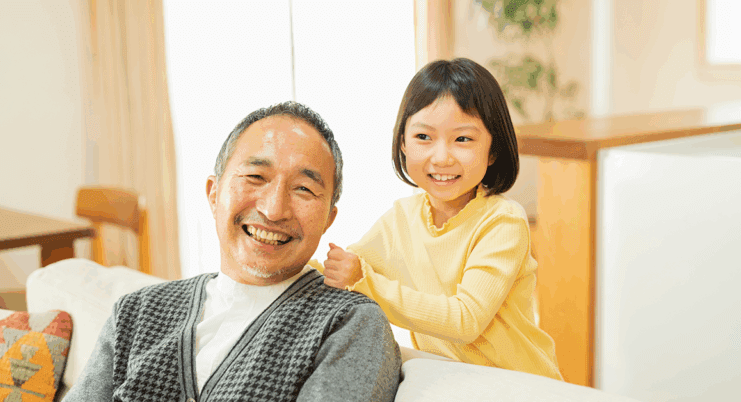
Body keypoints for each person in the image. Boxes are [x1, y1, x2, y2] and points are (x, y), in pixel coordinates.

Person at [65, 101, 402, 401]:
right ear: (214, 194)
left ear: (329, 218)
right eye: (255, 176)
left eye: (303, 188)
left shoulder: (349, 323)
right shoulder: (136, 313)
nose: (274, 210)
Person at [320, 58, 563, 380]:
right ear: (402, 142)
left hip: (520, 384)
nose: (442, 157)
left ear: (493, 150)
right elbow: (342, 271)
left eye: (462, 139)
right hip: (452, 381)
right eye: (424, 137)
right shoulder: (401, 218)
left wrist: (364, 282)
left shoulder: (503, 222)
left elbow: (465, 321)